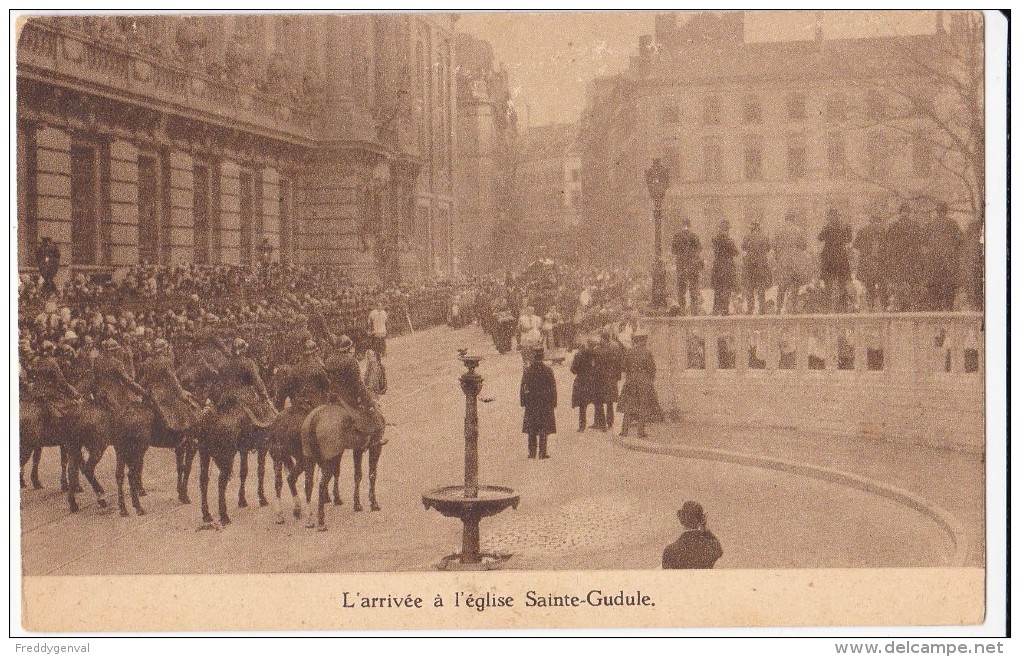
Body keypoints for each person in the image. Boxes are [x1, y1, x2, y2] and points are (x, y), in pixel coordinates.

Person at [324, 334, 386, 446]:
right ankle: (376, 440)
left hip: (332, 398)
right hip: (348, 399)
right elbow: (359, 385)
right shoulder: (350, 360)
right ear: (348, 348)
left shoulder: (328, 360)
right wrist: (371, 402)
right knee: (376, 418)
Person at [137, 338, 199, 432]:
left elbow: (145, 378)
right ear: (164, 350)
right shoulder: (166, 361)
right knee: (184, 409)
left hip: (149, 393)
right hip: (163, 393)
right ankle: (182, 433)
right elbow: (173, 381)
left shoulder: (148, 361)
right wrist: (182, 395)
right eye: (166, 348)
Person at [618, 330, 661, 438]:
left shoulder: (629, 352)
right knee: (643, 406)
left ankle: (624, 431)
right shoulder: (647, 352)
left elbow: (623, 367)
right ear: (643, 340)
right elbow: (652, 369)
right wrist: (649, 380)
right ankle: (640, 432)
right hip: (643, 381)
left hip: (631, 381)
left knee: (628, 407)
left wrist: (630, 375)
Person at [882, 203, 924, 311]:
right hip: (909, 260)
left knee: (900, 282)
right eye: (904, 212)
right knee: (910, 282)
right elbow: (919, 242)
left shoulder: (894, 226)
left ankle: (901, 305)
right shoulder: (914, 225)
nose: (904, 214)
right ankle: (910, 305)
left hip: (900, 260)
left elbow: (888, 244)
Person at [662, 501, 723, 569]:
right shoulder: (711, 546)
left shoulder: (670, 551)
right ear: (702, 519)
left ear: (681, 520)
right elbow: (719, 551)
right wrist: (704, 528)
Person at [520, 346, 557, 459]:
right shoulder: (548, 370)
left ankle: (531, 453)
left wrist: (523, 401)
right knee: (544, 427)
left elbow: (523, 387)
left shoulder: (528, 370)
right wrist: (553, 401)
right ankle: (542, 452)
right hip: (545, 402)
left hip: (532, 402)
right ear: (542, 356)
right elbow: (553, 387)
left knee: (532, 427)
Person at [926, 201, 963, 311]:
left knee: (935, 282)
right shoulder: (952, 223)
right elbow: (960, 240)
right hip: (949, 258)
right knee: (949, 282)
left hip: (935, 259)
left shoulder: (931, 224)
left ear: (937, 212)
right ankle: (948, 306)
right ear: (945, 211)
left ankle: (937, 307)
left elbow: (925, 241)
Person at [773, 211, 809, 314]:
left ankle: (778, 308)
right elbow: (803, 245)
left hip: (782, 261)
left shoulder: (779, 230)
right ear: (793, 219)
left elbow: (774, 246)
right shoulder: (797, 230)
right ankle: (792, 307)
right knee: (794, 284)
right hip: (795, 262)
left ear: (785, 218)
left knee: (782, 285)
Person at [818, 208, 853, 312]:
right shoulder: (844, 226)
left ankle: (828, 307)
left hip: (829, 257)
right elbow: (849, 239)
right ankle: (842, 307)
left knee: (828, 283)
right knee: (842, 282)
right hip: (841, 257)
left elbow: (820, 238)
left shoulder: (827, 227)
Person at [853, 212, 888, 312]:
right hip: (875, 262)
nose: (876, 224)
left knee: (874, 284)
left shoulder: (867, 231)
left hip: (872, 262)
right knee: (876, 284)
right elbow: (856, 245)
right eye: (876, 222)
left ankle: (875, 306)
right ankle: (878, 306)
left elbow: (856, 245)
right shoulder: (879, 231)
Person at [592, 330, 623, 432]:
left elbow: (595, 364)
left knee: (599, 401)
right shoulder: (615, 347)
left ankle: (601, 423)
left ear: (603, 339)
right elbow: (619, 363)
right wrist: (618, 376)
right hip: (611, 378)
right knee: (609, 402)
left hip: (601, 379)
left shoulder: (599, 350)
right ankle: (609, 423)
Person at [671, 218, 702, 316]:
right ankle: (694, 311)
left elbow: (673, 251)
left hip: (681, 266)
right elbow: (699, 249)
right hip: (692, 266)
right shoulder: (694, 236)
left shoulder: (677, 236)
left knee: (681, 290)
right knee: (693, 289)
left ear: (682, 225)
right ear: (690, 225)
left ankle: (682, 310)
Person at [742, 219, 772, 315]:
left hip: (750, 264)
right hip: (761, 264)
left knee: (750, 287)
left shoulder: (747, 237)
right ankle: (762, 309)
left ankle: (750, 309)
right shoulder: (764, 237)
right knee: (761, 287)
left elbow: (743, 247)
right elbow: (768, 248)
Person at [570, 335, 599, 432]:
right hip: (593, 380)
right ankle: (600, 422)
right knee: (597, 402)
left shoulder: (579, 355)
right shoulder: (596, 354)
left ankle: (582, 426)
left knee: (582, 404)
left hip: (582, 380)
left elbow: (573, 370)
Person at [710, 221, 739, 316]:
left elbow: (715, 250)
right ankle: (724, 309)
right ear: (726, 230)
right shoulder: (729, 241)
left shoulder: (715, 240)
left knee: (718, 288)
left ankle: (715, 309)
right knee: (726, 288)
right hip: (727, 267)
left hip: (718, 267)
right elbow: (736, 252)